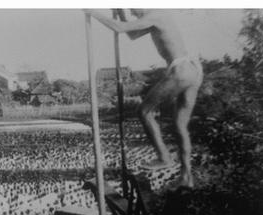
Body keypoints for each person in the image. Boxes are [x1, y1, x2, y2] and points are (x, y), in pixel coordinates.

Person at [84, 9, 203, 188]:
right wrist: (122, 13)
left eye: (134, 10)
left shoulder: (155, 14)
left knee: (144, 111)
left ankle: (164, 157)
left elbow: (118, 28)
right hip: (194, 70)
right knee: (180, 125)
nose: (134, 14)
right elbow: (132, 34)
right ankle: (187, 177)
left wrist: (92, 11)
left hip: (181, 69)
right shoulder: (159, 16)